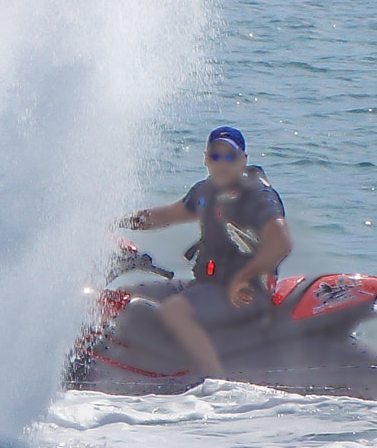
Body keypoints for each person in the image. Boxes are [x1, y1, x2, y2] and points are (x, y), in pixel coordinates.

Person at [119, 127, 293, 379]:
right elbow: (165, 216)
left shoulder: (258, 196)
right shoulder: (205, 191)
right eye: (215, 156)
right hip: (207, 285)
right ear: (205, 159)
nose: (222, 164)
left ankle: (214, 383)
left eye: (230, 157)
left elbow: (281, 243)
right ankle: (137, 364)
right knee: (119, 298)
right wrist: (114, 222)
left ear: (243, 159)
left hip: (246, 293)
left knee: (174, 311)